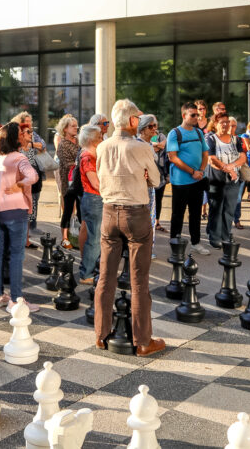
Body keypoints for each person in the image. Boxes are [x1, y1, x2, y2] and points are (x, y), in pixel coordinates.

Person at [94, 99, 164, 357]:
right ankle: (143, 341)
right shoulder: (141, 146)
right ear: (133, 121)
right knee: (139, 279)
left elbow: (101, 179)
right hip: (136, 213)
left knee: (105, 277)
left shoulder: (102, 146)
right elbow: (155, 180)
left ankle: (101, 335)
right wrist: (143, 177)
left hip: (109, 211)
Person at [0, 122, 40, 312]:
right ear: (14, 137)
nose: (22, 135)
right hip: (16, 208)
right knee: (17, 255)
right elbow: (33, 176)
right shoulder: (19, 158)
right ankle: (16, 299)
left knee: (0, 252)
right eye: (20, 133)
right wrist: (20, 185)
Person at [166, 102, 211, 255]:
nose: (196, 117)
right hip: (180, 182)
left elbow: (205, 153)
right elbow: (173, 157)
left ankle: (196, 242)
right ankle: (175, 243)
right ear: (184, 115)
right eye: (193, 115)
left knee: (195, 213)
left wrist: (201, 170)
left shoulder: (199, 133)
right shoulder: (174, 133)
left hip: (197, 180)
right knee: (177, 213)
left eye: (197, 115)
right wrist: (192, 171)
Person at [205, 113, 246, 248]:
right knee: (216, 209)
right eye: (222, 122)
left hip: (233, 180)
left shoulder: (236, 140)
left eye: (227, 122)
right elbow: (212, 158)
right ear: (215, 124)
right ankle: (214, 237)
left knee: (229, 209)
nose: (225, 124)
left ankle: (225, 235)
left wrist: (232, 167)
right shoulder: (211, 139)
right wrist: (228, 169)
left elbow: (242, 158)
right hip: (216, 179)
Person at [13, 111, 47, 238]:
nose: (29, 124)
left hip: (35, 173)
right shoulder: (18, 140)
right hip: (24, 178)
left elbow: (43, 146)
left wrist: (31, 144)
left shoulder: (33, 135)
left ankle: (31, 227)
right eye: (26, 121)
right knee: (25, 203)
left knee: (34, 200)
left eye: (30, 121)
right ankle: (25, 233)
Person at [77, 124, 104, 282]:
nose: (102, 139)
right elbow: (95, 183)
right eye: (100, 137)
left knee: (94, 237)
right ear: (94, 140)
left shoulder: (89, 155)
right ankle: (86, 274)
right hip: (94, 198)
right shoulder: (87, 157)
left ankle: (89, 270)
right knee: (94, 238)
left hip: (92, 198)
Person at [54, 114, 81, 249]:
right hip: (68, 180)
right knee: (68, 209)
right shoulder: (63, 144)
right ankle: (65, 238)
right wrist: (81, 164)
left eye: (76, 125)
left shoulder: (79, 141)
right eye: (73, 126)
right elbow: (66, 163)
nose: (76, 128)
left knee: (79, 209)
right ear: (65, 128)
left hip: (80, 180)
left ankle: (76, 236)